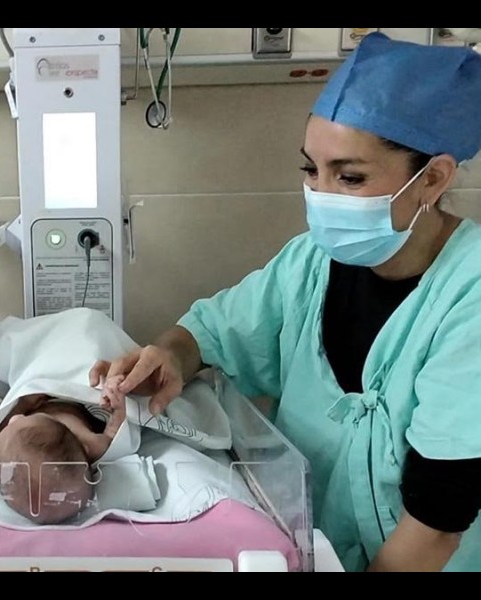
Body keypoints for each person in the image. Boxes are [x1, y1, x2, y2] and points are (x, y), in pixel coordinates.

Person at [90, 32, 481, 572]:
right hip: (310, 549)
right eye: (310, 170)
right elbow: (210, 331)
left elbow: (438, 520)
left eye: (349, 177)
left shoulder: (469, 297)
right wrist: (169, 356)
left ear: (432, 179)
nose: (321, 193)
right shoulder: (311, 264)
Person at [0, 389, 126, 524]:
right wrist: (117, 403)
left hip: (36, 397)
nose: (14, 418)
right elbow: (113, 432)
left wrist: (22, 405)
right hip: (77, 399)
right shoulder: (90, 444)